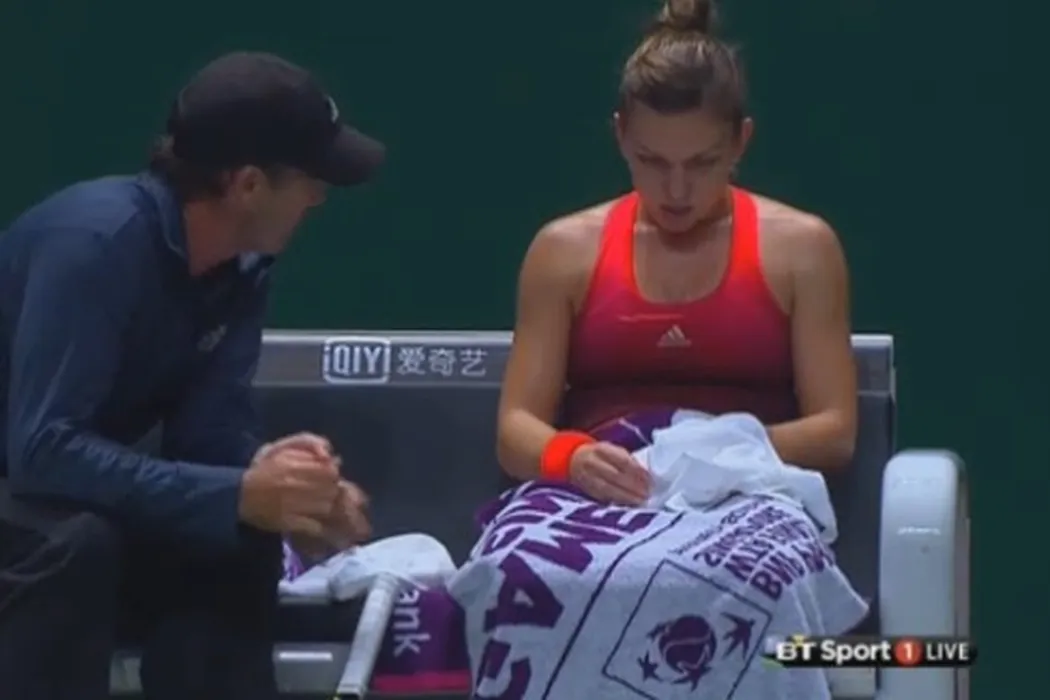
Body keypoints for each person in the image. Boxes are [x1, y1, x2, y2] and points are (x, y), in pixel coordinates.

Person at [0, 52, 382, 699]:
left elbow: (207, 431)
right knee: (77, 544)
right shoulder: (94, 245)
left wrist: (284, 485)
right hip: (29, 496)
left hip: (48, 502)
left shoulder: (242, 269)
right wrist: (235, 493)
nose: (318, 198)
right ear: (249, 185)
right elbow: (42, 451)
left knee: (238, 538)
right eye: (310, 180)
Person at [496, 0, 858, 505]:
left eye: (702, 162)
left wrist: (708, 455)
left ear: (740, 142)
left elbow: (836, 432)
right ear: (621, 135)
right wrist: (572, 458)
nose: (677, 190)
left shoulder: (804, 250)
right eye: (653, 161)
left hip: (748, 500)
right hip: (596, 501)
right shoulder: (562, 252)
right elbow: (515, 430)